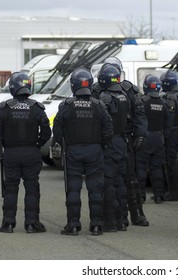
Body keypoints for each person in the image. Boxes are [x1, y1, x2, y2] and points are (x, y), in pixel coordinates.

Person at [53, 67, 113, 236]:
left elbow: (57, 130)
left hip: (73, 151)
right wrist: (100, 145)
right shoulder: (99, 105)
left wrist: (65, 144)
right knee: (96, 189)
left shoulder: (66, 105)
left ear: (73, 85)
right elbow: (108, 129)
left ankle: (73, 225)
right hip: (95, 151)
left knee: (73, 189)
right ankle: (96, 225)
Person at [92, 57, 149, 227]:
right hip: (105, 140)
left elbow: (139, 114)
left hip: (126, 137)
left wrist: (140, 135)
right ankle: (110, 216)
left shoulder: (129, 89)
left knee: (131, 179)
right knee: (107, 180)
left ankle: (137, 214)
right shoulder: (95, 90)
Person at [0, 72, 51, 233]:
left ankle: (8, 223)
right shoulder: (36, 108)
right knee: (32, 188)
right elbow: (46, 131)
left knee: (11, 188)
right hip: (31, 152)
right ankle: (31, 224)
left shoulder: (5, 108)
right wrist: (37, 145)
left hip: (11, 152)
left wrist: (6, 144)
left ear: (12, 87)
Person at [96, 63, 130, 232]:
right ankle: (123, 219)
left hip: (109, 143)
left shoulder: (105, 97)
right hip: (121, 143)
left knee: (107, 183)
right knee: (120, 183)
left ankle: (110, 222)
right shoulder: (124, 95)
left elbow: (102, 123)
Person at [136, 74, 169, 204]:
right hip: (158, 138)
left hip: (145, 137)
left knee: (141, 168)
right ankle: (159, 195)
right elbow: (167, 123)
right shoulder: (163, 103)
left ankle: (140, 196)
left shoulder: (142, 102)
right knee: (157, 168)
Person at [160, 70, 178, 201]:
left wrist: (165, 135)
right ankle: (170, 190)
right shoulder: (177, 96)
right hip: (175, 131)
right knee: (170, 161)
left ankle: (174, 192)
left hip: (171, 133)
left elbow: (169, 119)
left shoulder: (171, 98)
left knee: (170, 162)